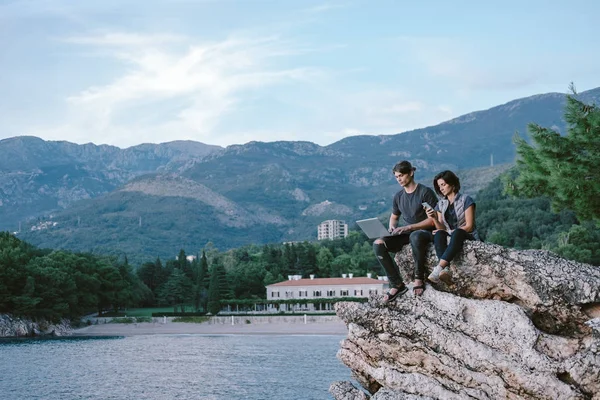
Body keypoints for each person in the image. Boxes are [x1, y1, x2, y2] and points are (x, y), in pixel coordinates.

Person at [373, 160, 438, 301]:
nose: (399, 179)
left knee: (415, 236)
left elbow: (433, 220)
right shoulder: (398, 196)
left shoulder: (425, 192)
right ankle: (396, 284)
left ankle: (419, 278)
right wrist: (392, 227)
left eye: (401, 175)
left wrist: (409, 227)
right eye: (396, 177)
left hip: (425, 232)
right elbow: (394, 216)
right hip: (406, 233)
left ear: (411, 173)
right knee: (378, 244)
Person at [426, 170, 480, 284]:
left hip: (466, 234)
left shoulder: (466, 200)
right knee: (439, 233)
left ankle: (439, 268)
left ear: (453, 184)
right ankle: (445, 270)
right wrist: (434, 218)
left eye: (443, 184)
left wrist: (450, 232)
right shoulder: (440, 204)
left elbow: (469, 226)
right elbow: (442, 228)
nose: (441, 188)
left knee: (458, 232)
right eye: (439, 186)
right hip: (451, 234)